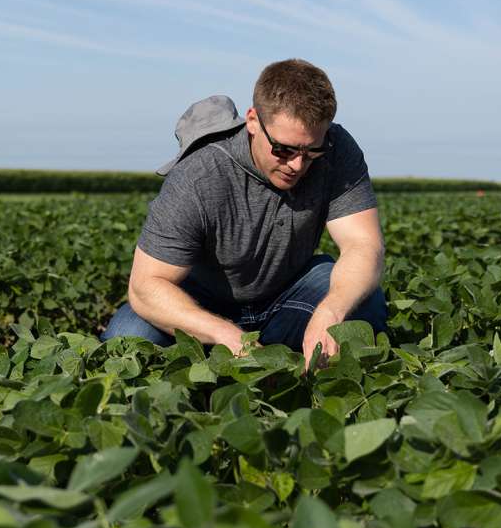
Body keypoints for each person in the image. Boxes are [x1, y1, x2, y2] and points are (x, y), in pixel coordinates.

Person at [100, 59, 388, 369]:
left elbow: (363, 244)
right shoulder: (197, 177)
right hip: (201, 301)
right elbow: (145, 287)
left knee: (363, 305)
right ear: (253, 121)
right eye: (284, 149)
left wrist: (330, 312)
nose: (297, 165)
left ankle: (287, 366)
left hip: (287, 294)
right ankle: (232, 360)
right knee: (126, 336)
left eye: (311, 152)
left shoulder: (337, 149)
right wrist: (224, 334)